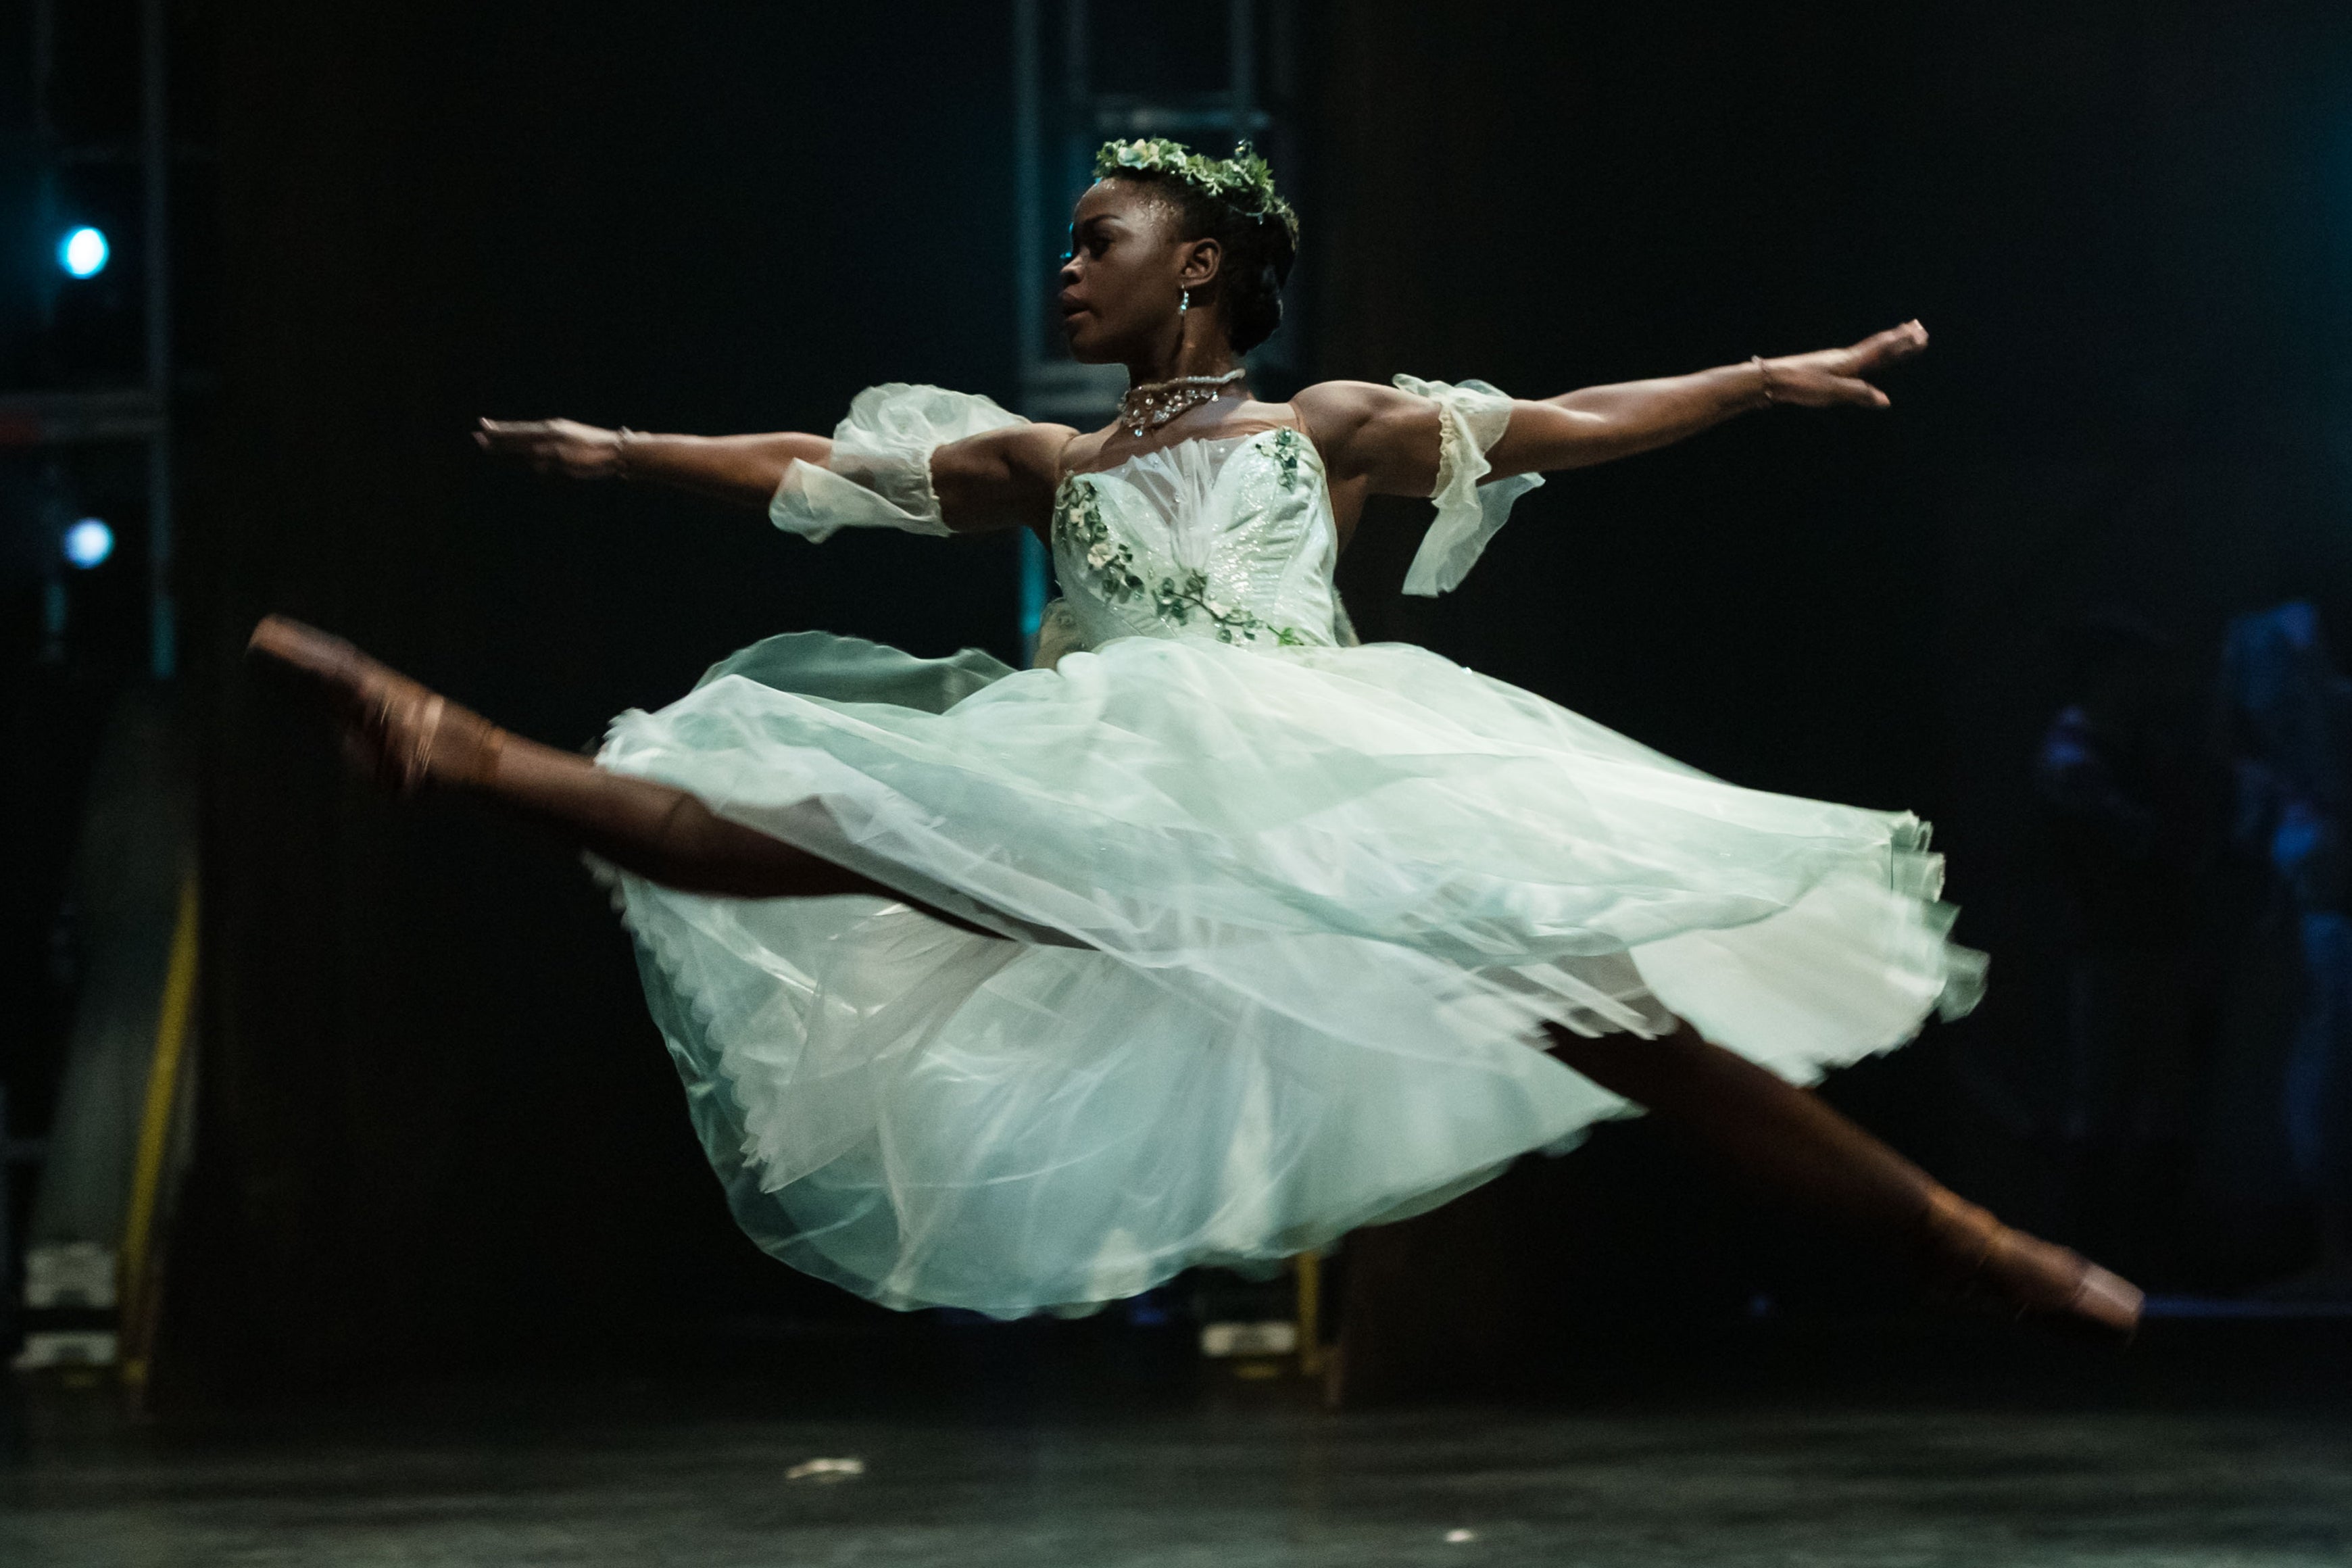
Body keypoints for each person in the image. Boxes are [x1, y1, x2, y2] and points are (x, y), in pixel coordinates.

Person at [249, 138, 2140, 1336]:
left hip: (1323, 766)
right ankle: (459, 751)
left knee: (1612, 1019)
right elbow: (815, 465)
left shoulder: (1315, 428)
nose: (1072, 270)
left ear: (1203, 268)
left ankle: (1966, 1240)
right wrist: (619, 451)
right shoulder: (1047, 461)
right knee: (809, 817)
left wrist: (1753, 380)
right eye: (1071, 246)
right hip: (1107, 772)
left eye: (1105, 241)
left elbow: (1557, 422)